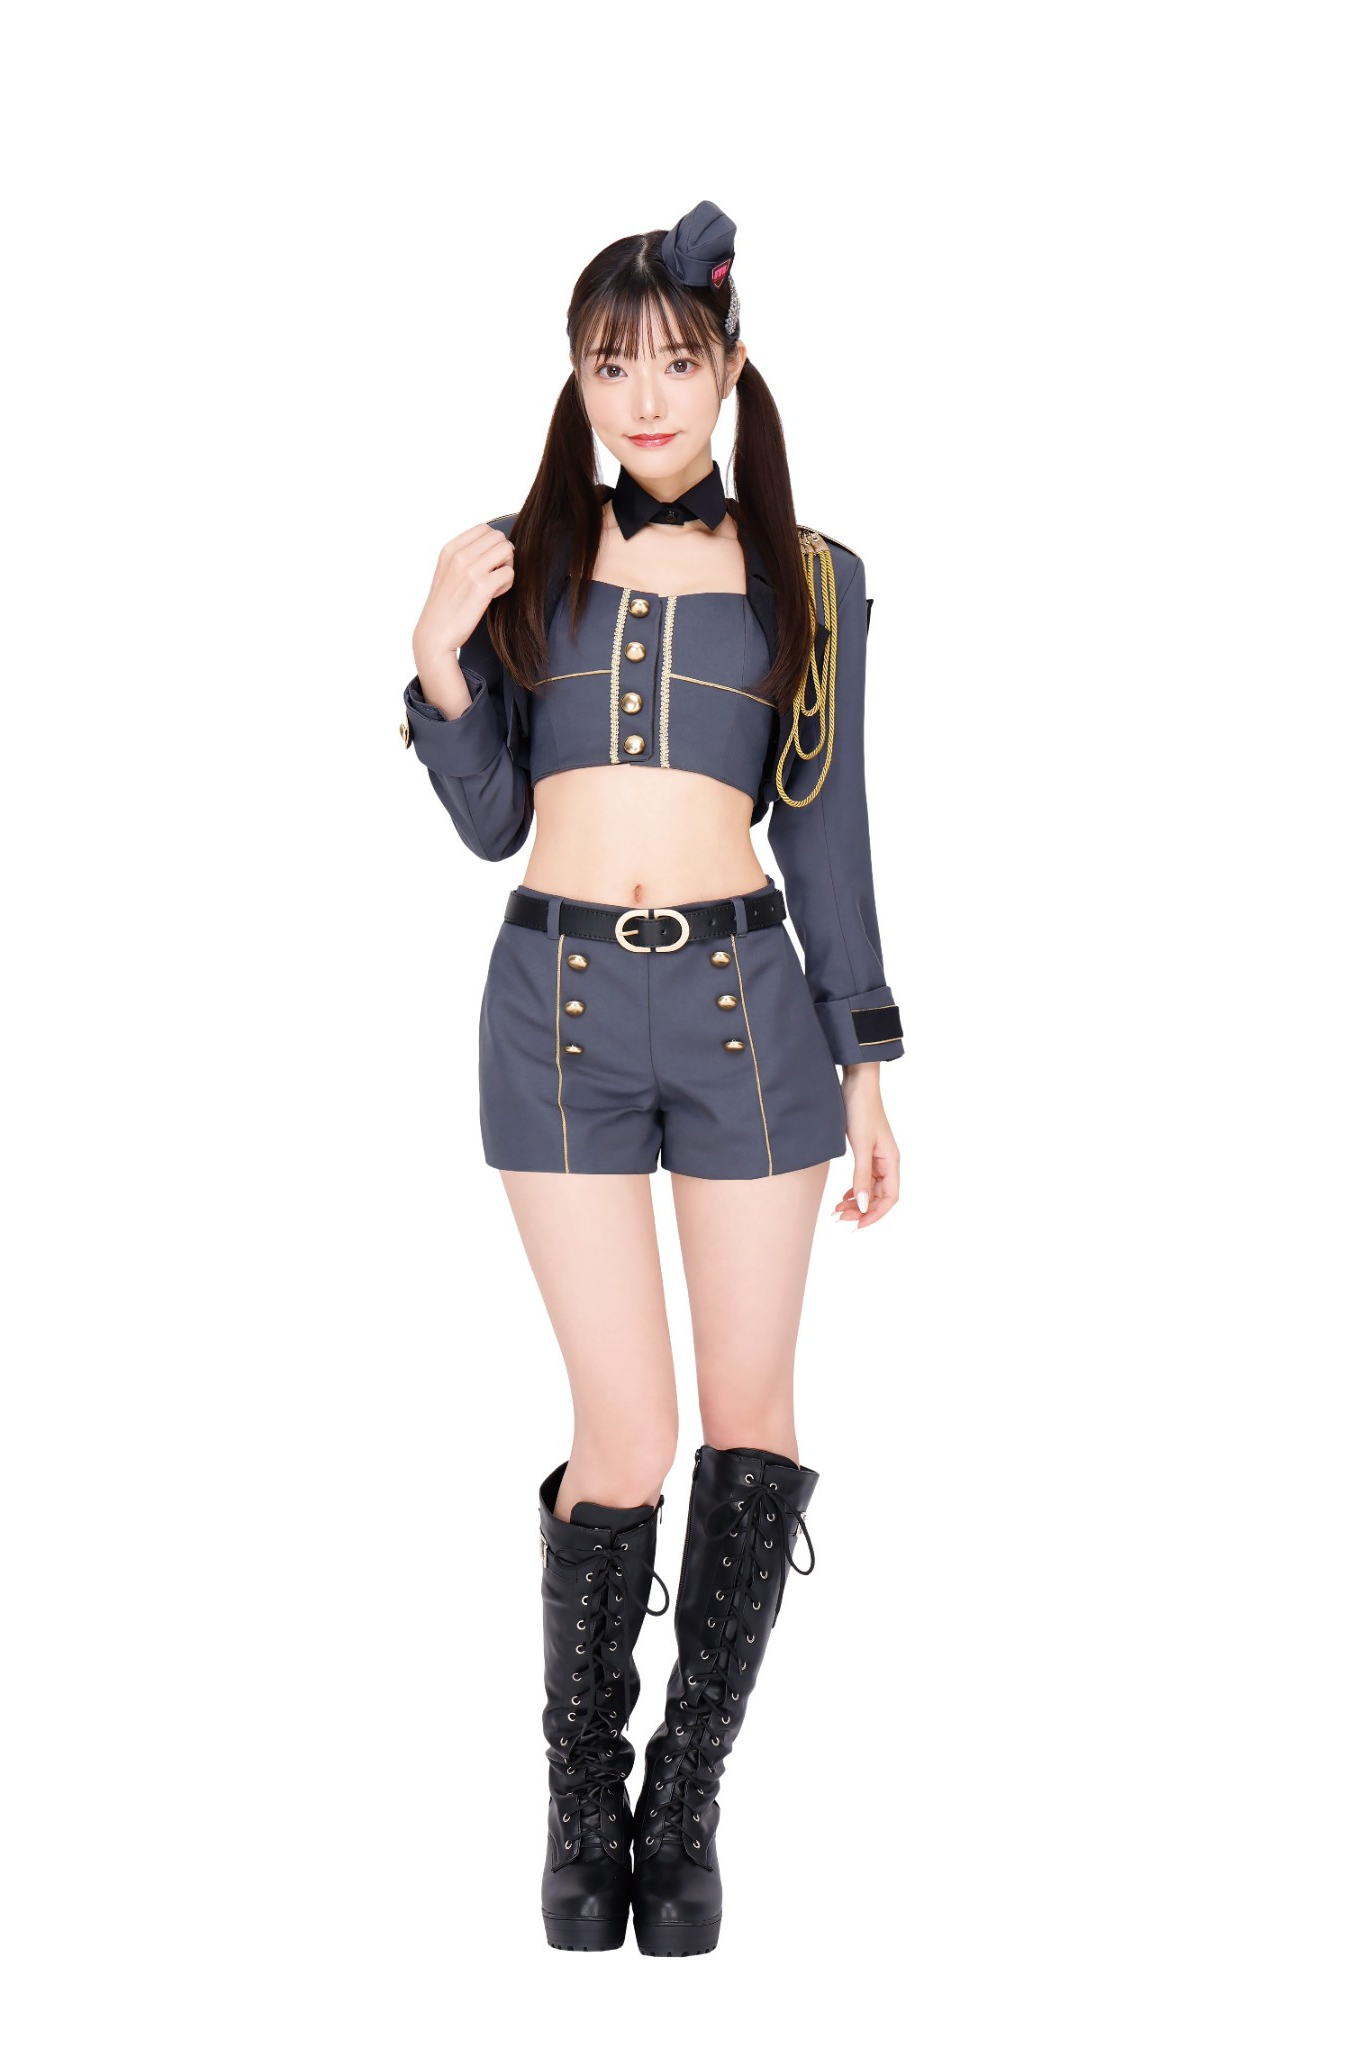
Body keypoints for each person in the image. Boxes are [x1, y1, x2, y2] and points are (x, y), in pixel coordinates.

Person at [398, 200, 905, 1956]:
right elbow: (488, 820)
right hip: (549, 1007)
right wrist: (436, 656)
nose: (642, 396)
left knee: (748, 1419)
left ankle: (679, 1815)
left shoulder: (811, 579)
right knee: (623, 1434)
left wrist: (864, 1060)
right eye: (609, 365)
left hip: (747, 1009)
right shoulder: (516, 560)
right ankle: (578, 1807)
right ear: (575, 379)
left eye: (674, 362)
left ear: (730, 369)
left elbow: (826, 831)